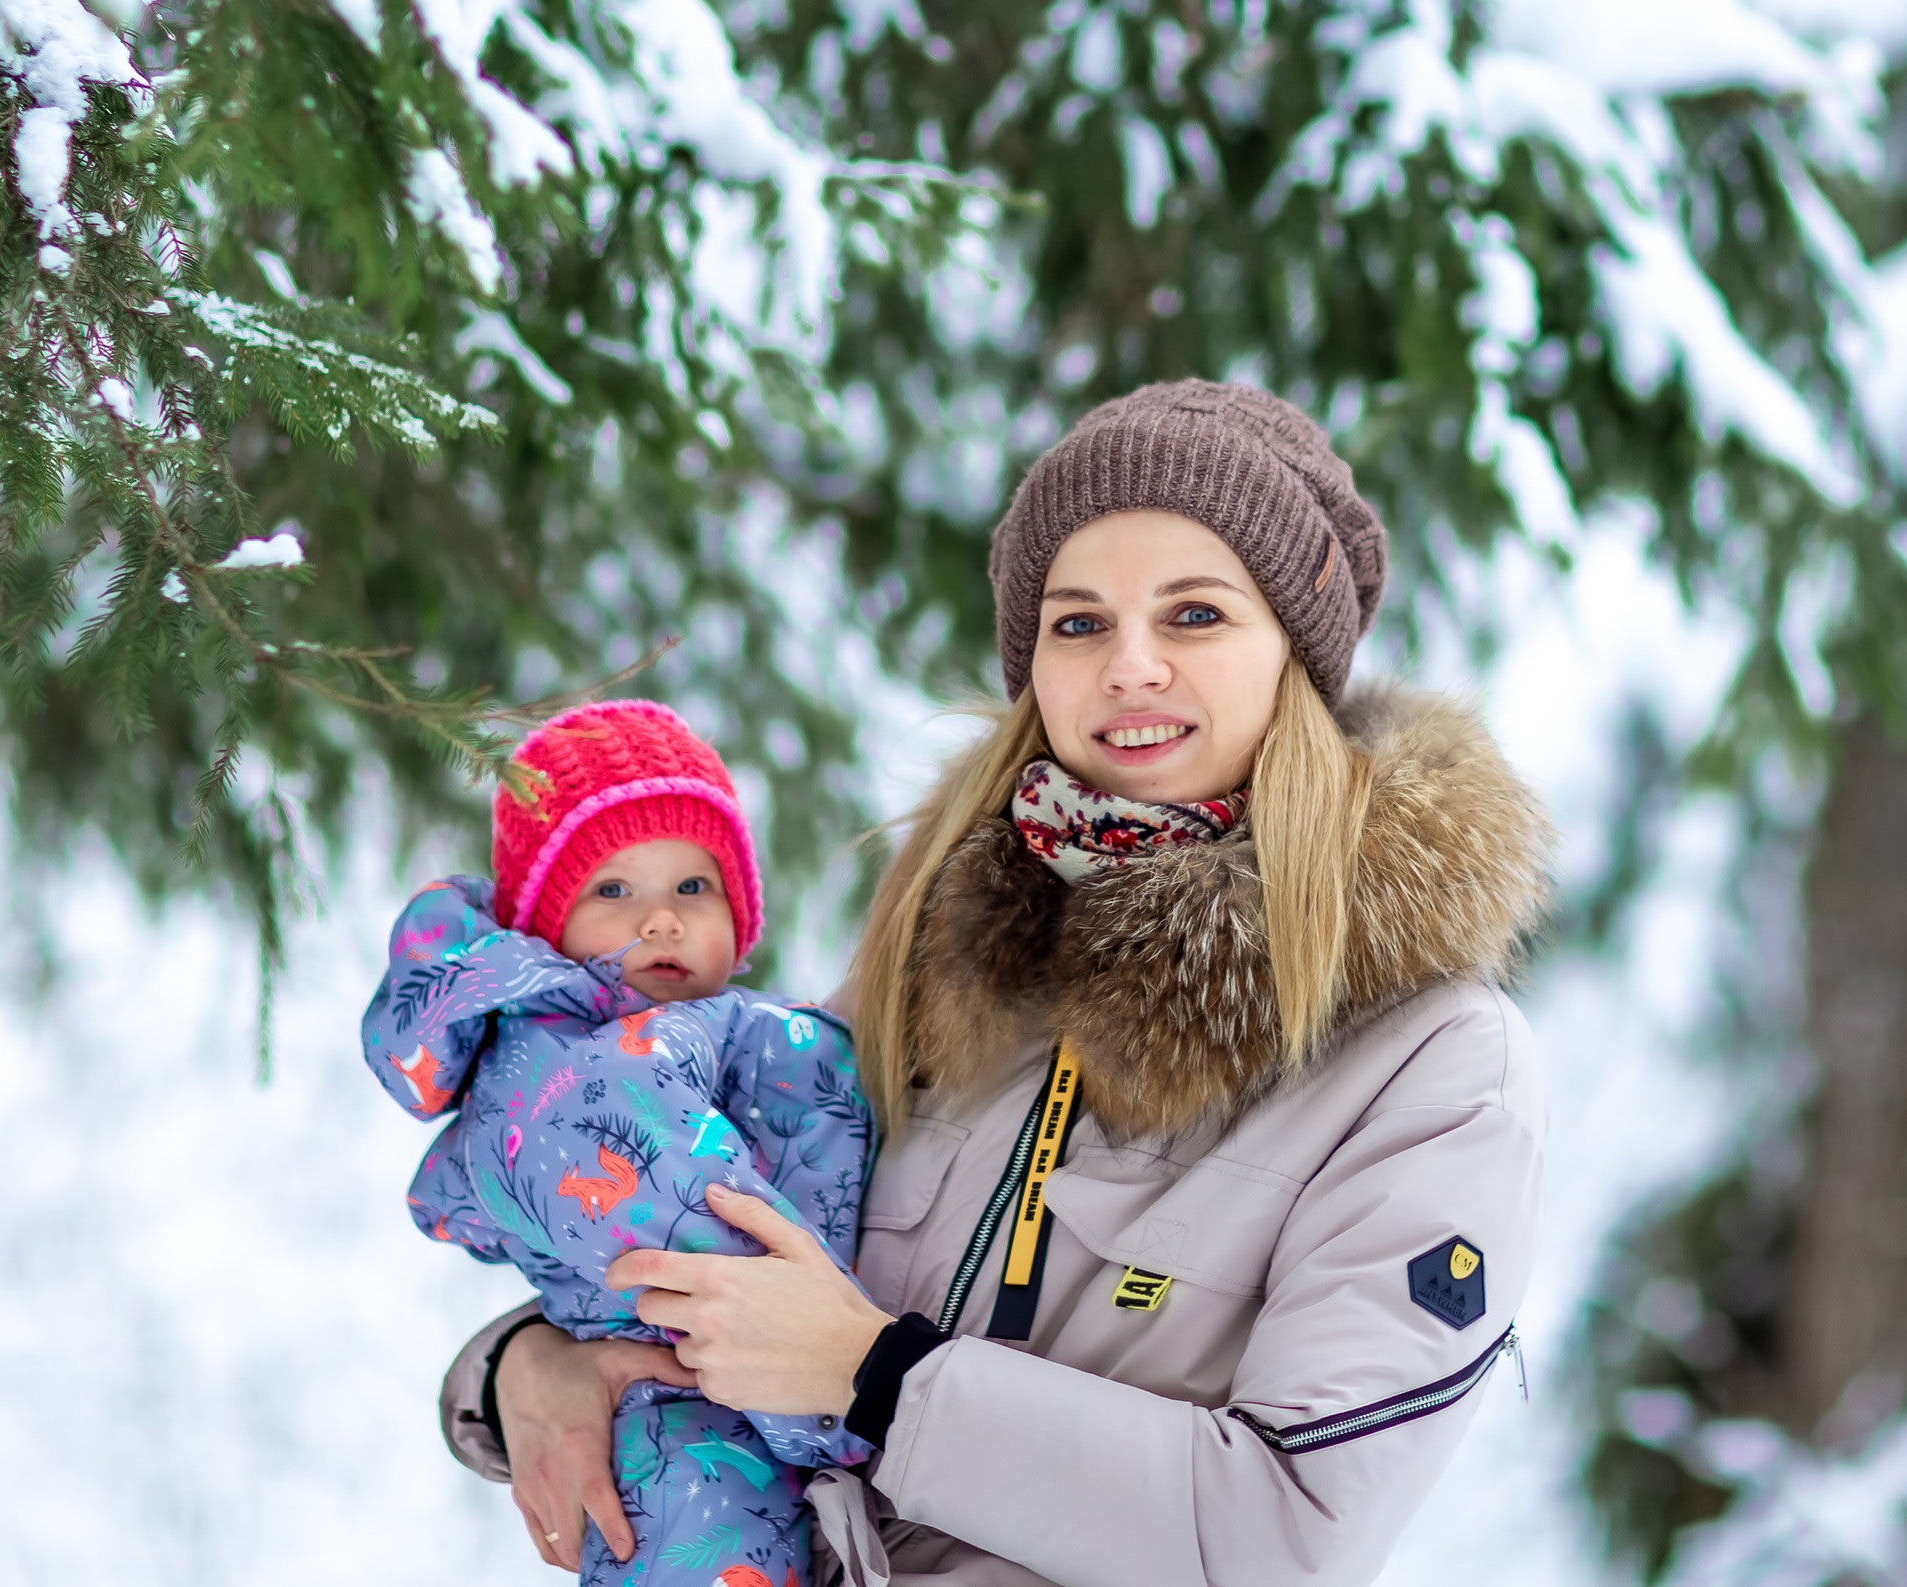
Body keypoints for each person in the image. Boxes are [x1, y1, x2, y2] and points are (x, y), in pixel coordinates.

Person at [445, 381, 1552, 1586]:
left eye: (1193, 614)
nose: (1130, 666)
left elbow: (1289, 1532)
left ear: (1293, 651)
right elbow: (693, 1221)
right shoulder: (943, 949)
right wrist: (524, 1365)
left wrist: (881, 1383)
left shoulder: (1430, 1062)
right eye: (1078, 624)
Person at [361, 699, 873, 1587]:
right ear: (545, 927)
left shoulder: (749, 1035)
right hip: (674, 1406)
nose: (661, 921)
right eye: (614, 891)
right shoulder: (549, 1058)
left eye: (691, 887)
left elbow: (820, 1155)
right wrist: (842, 1403)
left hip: (768, 1375)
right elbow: (649, 1200)